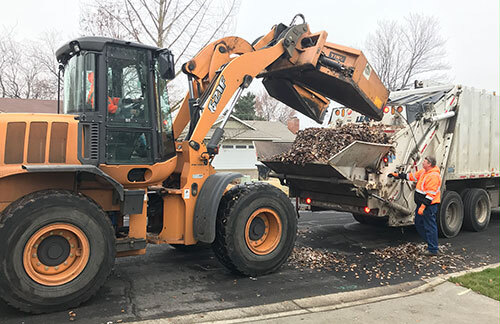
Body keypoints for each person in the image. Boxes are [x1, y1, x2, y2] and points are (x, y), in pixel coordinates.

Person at [388, 156, 442, 256]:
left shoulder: (433, 176)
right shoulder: (423, 172)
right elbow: (411, 176)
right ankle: (431, 243)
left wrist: (423, 207)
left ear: (429, 164)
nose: (423, 163)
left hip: (428, 206)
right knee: (419, 224)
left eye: (425, 162)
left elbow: (431, 194)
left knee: (430, 226)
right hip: (422, 205)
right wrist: (397, 175)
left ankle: (433, 249)